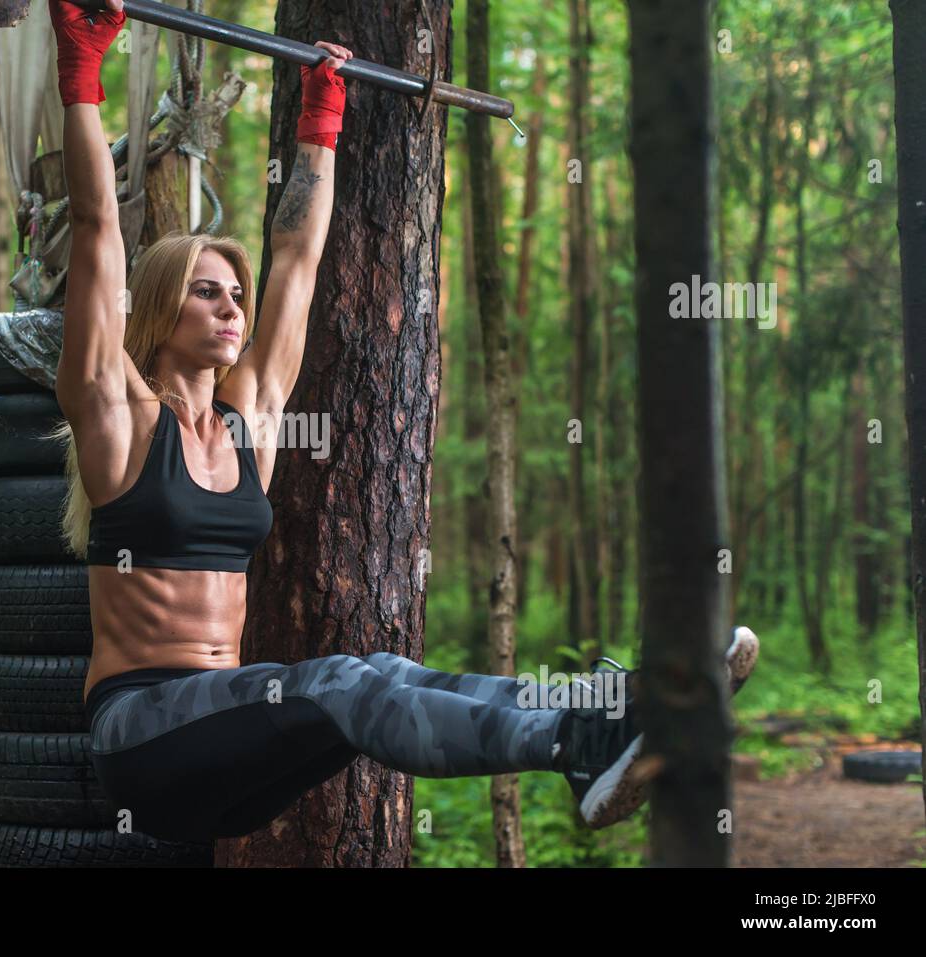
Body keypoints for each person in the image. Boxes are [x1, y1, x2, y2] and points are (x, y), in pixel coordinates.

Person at [47, 0, 760, 844]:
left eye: (237, 292)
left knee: (382, 672)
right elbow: (97, 232)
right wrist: (82, 77)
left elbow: (299, 261)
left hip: (224, 746)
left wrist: (322, 119)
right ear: (161, 311)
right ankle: (576, 745)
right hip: (143, 739)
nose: (234, 306)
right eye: (208, 290)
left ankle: (625, 705)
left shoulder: (249, 426)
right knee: (347, 679)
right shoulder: (120, 421)